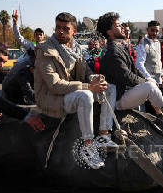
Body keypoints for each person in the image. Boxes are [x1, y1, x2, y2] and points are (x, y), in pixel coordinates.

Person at [34, 12, 117, 170]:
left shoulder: (76, 49)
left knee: (109, 87)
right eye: (58, 27)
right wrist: (88, 86)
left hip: (69, 93)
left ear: (74, 32)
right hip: (51, 98)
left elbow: (85, 73)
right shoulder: (45, 49)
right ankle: (88, 146)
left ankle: (104, 134)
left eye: (65, 28)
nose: (61, 31)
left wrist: (94, 78)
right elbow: (55, 85)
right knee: (85, 95)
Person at [97, 12, 163, 119]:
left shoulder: (118, 46)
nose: (122, 28)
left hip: (123, 93)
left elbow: (134, 69)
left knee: (150, 84)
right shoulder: (112, 51)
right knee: (149, 87)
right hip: (116, 99)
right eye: (118, 25)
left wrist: (147, 78)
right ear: (109, 32)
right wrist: (145, 81)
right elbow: (126, 76)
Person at [135, 20, 163, 114]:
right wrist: (149, 78)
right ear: (147, 30)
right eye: (152, 30)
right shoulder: (142, 43)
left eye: (157, 31)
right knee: (151, 110)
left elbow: (159, 61)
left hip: (159, 80)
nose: (154, 33)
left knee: (159, 107)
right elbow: (139, 64)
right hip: (149, 82)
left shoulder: (157, 42)